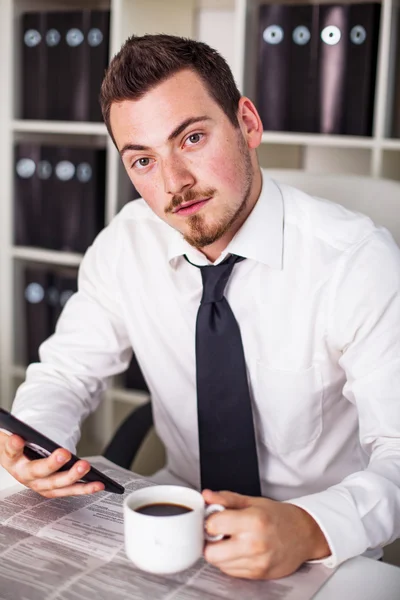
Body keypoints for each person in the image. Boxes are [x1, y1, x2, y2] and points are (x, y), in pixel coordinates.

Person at [1, 34, 400, 581]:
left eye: (191, 138)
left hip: (312, 548)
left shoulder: (357, 262)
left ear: (248, 124)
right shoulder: (126, 244)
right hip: (176, 521)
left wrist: (308, 526)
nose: (174, 183)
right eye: (142, 160)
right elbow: (66, 374)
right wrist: (36, 443)